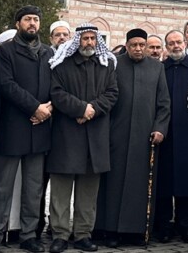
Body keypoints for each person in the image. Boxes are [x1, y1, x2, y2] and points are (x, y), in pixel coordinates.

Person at [0, 6, 53, 253]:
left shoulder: (48, 52)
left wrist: (48, 108)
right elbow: (6, 84)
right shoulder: (6, 51)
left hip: (41, 128)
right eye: (27, 20)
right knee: (2, 187)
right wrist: (35, 107)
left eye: (35, 19)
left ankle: (28, 234)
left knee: (34, 189)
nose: (32, 24)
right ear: (18, 24)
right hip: (13, 127)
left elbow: (56, 84)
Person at [46, 25, 118, 253]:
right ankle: (59, 234)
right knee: (60, 191)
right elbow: (56, 93)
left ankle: (83, 234)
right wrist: (80, 109)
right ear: (78, 41)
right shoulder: (62, 65)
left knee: (88, 192)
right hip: (66, 135)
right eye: (85, 38)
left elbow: (112, 93)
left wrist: (92, 110)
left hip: (94, 136)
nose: (89, 42)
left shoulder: (105, 66)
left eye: (92, 39)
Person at [96, 29, 170, 246]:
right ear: (126, 46)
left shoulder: (157, 68)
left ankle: (136, 232)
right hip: (116, 135)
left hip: (145, 137)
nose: (138, 48)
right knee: (113, 185)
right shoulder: (114, 65)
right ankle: (110, 231)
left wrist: (160, 129)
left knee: (139, 186)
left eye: (142, 45)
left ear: (146, 46)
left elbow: (164, 103)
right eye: (134, 45)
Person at [153, 30, 188, 245]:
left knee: (187, 183)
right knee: (163, 183)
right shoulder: (159, 69)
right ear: (166, 46)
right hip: (165, 134)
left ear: (184, 43)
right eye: (171, 43)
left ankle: (186, 227)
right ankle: (164, 226)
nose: (175, 46)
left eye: (178, 42)